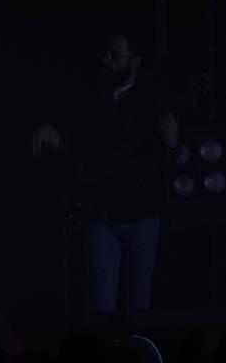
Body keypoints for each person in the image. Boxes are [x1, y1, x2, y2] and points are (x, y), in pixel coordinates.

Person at [31, 33, 178, 316]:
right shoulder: (92, 97)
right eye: (104, 54)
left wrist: (172, 144)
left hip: (141, 216)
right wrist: (57, 138)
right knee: (100, 303)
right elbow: (82, 148)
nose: (106, 60)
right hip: (101, 214)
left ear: (136, 60)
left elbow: (164, 157)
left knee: (138, 303)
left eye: (115, 55)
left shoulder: (151, 101)